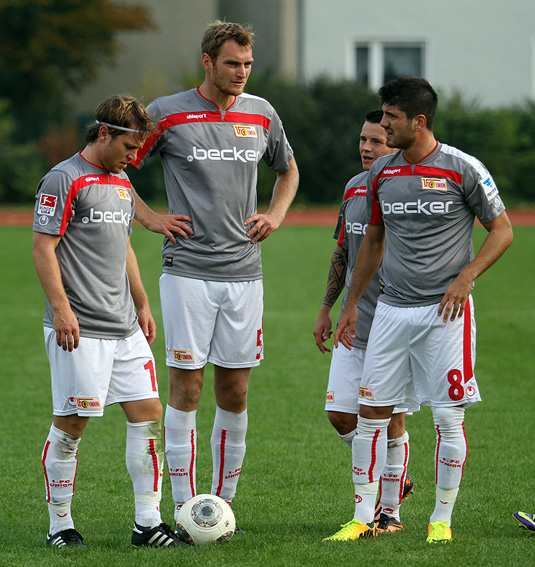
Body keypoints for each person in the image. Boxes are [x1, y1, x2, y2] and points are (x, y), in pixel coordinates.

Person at [129, 21, 299, 534]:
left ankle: (221, 510)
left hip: (245, 274)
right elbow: (115, 166)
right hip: (188, 272)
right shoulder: (167, 112)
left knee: (236, 391)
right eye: (232, 63)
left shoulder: (261, 112)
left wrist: (276, 214)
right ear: (207, 62)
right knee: (187, 388)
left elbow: (288, 170)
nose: (242, 72)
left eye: (247, 64)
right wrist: (150, 218)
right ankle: (186, 510)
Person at [333, 77, 513, 544]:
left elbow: (502, 230)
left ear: (419, 121)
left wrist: (467, 276)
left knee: (447, 418)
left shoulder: (463, 168)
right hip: (391, 312)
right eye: (383, 115)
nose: (384, 124)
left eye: (391, 116)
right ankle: (362, 517)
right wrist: (350, 305)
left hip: (445, 314)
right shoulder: (382, 172)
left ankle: (441, 520)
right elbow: (373, 241)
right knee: (370, 413)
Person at [33, 95, 184, 548]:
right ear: (104, 134)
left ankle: (147, 524)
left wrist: (142, 304)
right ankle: (60, 526)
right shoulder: (63, 178)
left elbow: (124, 246)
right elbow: (43, 248)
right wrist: (62, 309)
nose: (134, 158)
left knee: (148, 416)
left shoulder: (120, 181)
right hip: (80, 328)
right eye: (129, 147)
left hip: (125, 328)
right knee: (72, 425)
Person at [314, 110, 414, 540]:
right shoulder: (354, 186)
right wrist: (327, 307)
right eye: (362, 139)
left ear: (395, 143)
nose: (366, 148)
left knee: (390, 419)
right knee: (340, 414)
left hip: (395, 324)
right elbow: (343, 251)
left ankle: (388, 512)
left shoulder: (406, 189)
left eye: (376, 141)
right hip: (352, 324)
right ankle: (394, 477)